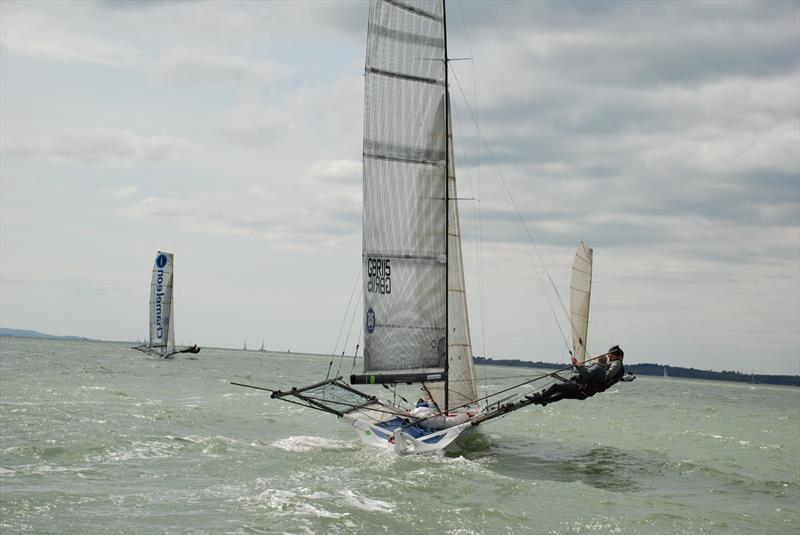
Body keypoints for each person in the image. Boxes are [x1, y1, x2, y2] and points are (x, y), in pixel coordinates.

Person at [526, 354, 609, 406]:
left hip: (579, 389)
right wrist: (577, 364)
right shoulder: (603, 370)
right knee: (562, 395)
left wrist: (578, 365)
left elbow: (586, 375)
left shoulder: (597, 367)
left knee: (556, 387)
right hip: (584, 394)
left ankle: (540, 398)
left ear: (598, 361)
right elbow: (587, 374)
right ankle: (545, 400)